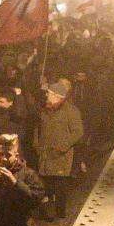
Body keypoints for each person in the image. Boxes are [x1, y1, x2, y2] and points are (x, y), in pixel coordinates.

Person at [34, 78, 85, 218]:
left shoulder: (71, 111)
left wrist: (62, 146)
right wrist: (37, 145)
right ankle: (47, 213)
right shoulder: (46, 109)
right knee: (45, 185)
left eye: (49, 93)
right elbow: (39, 128)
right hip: (45, 153)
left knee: (60, 186)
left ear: (57, 96)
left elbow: (78, 132)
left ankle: (60, 214)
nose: (46, 95)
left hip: (60, 156)